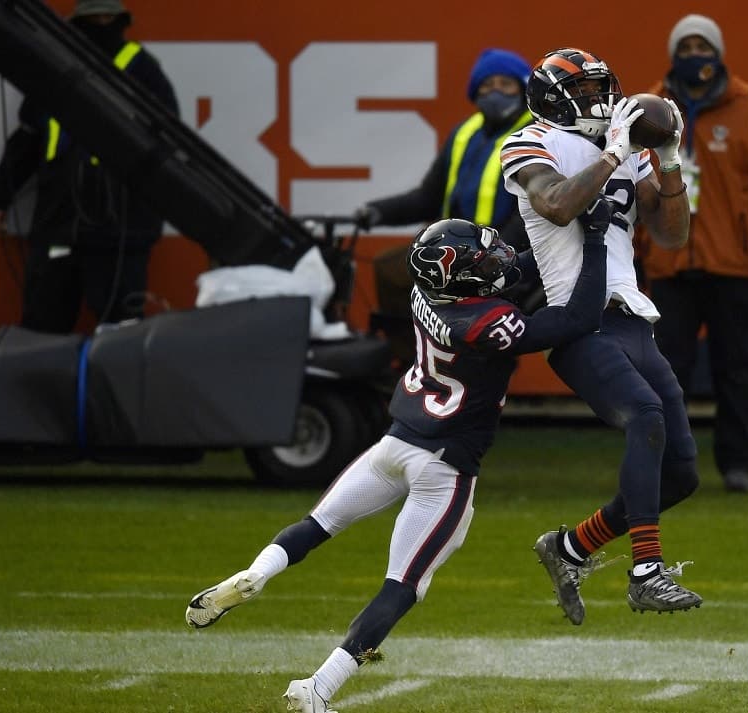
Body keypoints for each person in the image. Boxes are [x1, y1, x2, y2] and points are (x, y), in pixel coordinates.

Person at [184, 207, 611, 713]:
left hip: (394, 445)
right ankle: (317, 688)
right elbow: (578, 318)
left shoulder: (426, 292)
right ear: (463, 277)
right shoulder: (484, 322)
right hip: (444, 468)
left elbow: (512, 268)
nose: (494, 257)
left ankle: (257, 572)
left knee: (316, 525)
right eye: (481, 257)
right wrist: (596, 240)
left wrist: (564, 230)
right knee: (403, 586)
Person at [500, 48, 701, 624]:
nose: (601, 100)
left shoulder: (623, 150)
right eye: (586, 92)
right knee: (645, 414)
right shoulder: (528, 143)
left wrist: (667, 159)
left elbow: (672, 235)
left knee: (681, 474)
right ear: (552, 99)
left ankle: (570, 548)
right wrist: (614, 152)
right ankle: (646, 572)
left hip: (632, 317)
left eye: (601, 88)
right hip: (579, 317)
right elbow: (556, 205)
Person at [635, 14, 748, 493]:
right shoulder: (650, 110)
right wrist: (633, 255)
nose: (695, 56)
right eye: (686, 47)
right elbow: (629, 186)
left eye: (702, 47)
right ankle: (665, 463)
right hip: (668, 263)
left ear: (719, 53)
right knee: (665, 371)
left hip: (733, 263)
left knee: (735, 368)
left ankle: (740, 465)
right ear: (673, 55)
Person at [0, 0, 178, 334]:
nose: (100, 25)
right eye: (93, 19)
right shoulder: (54, 71)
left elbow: (168, 143)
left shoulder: (142, 68)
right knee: (42, 330)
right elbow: (27, 141)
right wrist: (0, 198)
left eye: (106, 18)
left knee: (122, 334)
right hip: (60, 226)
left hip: (120, 231)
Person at [353, 48, 536, 367]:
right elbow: (428, 197)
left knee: (455, 300)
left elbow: (530, 213)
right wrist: (375, 211)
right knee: (390, 268)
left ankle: (473, 369)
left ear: (522, 89)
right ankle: (414, 361)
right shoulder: (465, 133)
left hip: (504, 254)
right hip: (457, 250)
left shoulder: (534, 135)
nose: (495, 92)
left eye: (505, 84)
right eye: (486, 85)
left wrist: (492, 258)